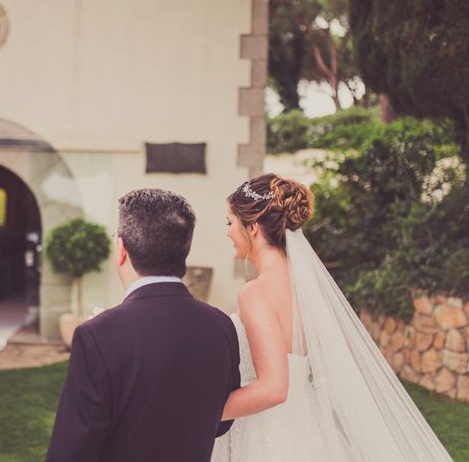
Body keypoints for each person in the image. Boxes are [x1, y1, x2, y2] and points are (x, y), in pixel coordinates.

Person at [212, 174, 452, 461]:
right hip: (307, 427)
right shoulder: (305, 286)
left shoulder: (255, 293)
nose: (227, 233)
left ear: (252, 228)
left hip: (266, 435)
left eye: (230, 223)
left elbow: (274, 388)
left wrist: (207, 411)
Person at [46, 189, 240, 462]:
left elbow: (73, 449)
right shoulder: (221, 326)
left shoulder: (97, 335)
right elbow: (221, 422)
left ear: (122, 250)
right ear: (184, 249)